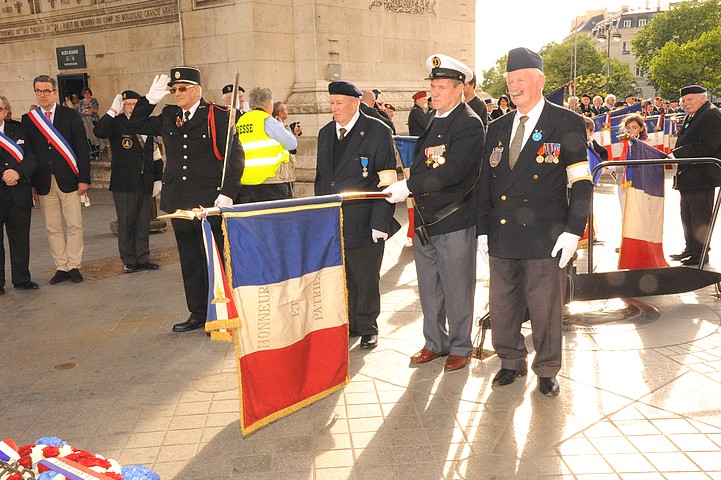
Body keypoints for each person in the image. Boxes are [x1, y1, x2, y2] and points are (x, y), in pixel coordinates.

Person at [476, 47, 593, 396]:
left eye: (521, 80)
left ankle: (546, 368)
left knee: (545, 308)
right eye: (510, 81)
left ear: (539, 81)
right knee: (503, 305)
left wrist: (574, 231)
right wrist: (482, 232)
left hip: (547, 236)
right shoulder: (495, 127)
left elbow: (582, 182)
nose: (514, 87)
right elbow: (485, 183)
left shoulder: (566, 122)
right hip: (502, 235)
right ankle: (510, 361)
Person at [384, 54, 485, 372]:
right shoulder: (433, 119)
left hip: (453, 219)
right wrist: (409, 182)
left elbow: (452, 171)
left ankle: (459, 345)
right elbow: (423, 161)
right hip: (427, 221)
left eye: (442, 86)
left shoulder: (468, 124)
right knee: (429, 287)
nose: (435, 92)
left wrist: (409, 185)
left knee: (457, 287)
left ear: (460, 89)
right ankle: (434, 342)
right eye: (433, 86)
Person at [127, 66, 244, 332]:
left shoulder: (218, 115)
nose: (176, 93)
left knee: (216, 260)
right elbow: (133, 125)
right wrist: (149, 100)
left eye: (182, 89)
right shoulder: (169, 115)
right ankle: (198, 314)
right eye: (173, 90)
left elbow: (236, 158)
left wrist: (227, 193)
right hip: (179, 200)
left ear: (197, 91)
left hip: (210, 201)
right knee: (190, 260)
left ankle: (224, 313)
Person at [315, 80, 399, 349]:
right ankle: (348, 322)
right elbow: (321, 180)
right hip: (333, 219)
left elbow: (386, 179)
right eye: (331, 103)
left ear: (355, 104)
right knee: (343, 276)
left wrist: (380, 222)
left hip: (365, 220)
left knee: (366, 277)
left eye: (339, 103)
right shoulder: (326, 133)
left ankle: (367, 326)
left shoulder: (377, 131)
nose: (334, 108)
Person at [22, 74, 91, 285]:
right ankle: (61, 266)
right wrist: (32, 183)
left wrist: (84, 179)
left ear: (54, 93)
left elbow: (82, 148)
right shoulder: (29, 119)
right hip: (43, 181)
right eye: (38, 91)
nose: (42, 95)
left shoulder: (70, 115)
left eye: (46, 91)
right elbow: (29, 153)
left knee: (74, 225)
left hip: (69, 179)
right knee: (52, 227)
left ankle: (74, 265)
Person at [94, 90, 163, 274]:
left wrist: (158, 178)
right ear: (122, 106)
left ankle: (143, 257)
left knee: (143, 221)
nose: (131, 107)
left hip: (145, 180)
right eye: (128, 104)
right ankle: (129, 260)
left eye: (135, 104)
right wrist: (111, 111)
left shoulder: (146, 122)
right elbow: (98, 132)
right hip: (124, 182)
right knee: (126, 222)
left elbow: (155, 152)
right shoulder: (116, 123)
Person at [671, 85, 721, 266]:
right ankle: (690, 248)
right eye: (683, 100)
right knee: (687, 216)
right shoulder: (693, 115)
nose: (685, 103)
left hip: (702, 176)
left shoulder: (711, 115)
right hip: (689, 176)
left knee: (700, 218)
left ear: (702, 98)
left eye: (689, 99)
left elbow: (707, 146)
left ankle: (700, 253)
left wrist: (678, 153)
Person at [0, 95, 38, 295]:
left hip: (19, 193)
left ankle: (22, 279)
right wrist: (4, 174)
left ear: (6, 111)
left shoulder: (19, 129)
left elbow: (32, 156)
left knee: (20, 240)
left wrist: (19, 173)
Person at [235, 87, 297, 203]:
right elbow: (292, 143)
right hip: (271, 182)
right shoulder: (268, 121)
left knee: (252, 219)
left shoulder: (241, 121)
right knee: (278, 219)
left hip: (245, 182)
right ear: (268, 104)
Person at [76, 88, 107, 158]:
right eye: (85, 93)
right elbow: (80, 112)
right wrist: (85, 112)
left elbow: (96, 109)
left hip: (93, 120)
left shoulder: (94, 100)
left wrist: (88, 110)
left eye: (88, 92)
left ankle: (99, 150)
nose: (87, 94)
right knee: (88, 137)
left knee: (96, 135)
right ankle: (92, 152)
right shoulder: (81, 102)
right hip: (85, 121)